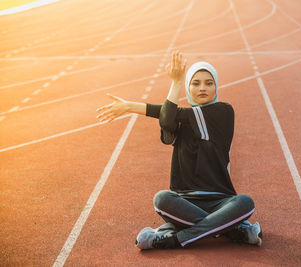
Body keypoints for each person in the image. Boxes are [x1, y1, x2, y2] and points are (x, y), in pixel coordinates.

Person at [96, 51, 262, 250]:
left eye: (209, 83)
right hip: (184, 202)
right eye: (195, 83)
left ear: (217, 87)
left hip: (221, 201)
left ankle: (172, 238)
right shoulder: (177, 121)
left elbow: (172, 113)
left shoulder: (223, 112)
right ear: (188, 87)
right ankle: (232, 230)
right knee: (161, 198)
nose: (202, 88)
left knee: (245, 202)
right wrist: (175, 82)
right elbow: (167, 117)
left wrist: (133, 106)